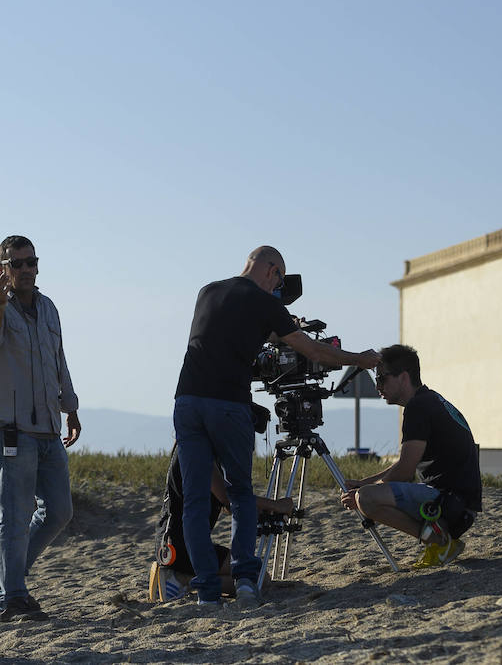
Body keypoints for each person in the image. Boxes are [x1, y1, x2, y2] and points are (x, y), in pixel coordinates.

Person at [174, 245, 380, 609]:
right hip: (227, 405)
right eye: (278, 281)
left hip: (187, 402)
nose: (277, 289)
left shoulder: (208, 291)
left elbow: (231, 333)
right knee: (239, 495)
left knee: (194, 500)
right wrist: (358, 359)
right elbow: (314, 353)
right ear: (273, 272)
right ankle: (246, 583)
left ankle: (207, 593)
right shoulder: (267, 304)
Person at [0, 235, 81, 623]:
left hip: (49, 427)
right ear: (2, 268)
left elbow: (59, 358)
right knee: (15, 514)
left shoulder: (49, 307)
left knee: (59, 512)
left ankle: (5, 574)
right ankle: (11, 598)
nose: (24, 270)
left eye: (29, 262)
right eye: (15, 263)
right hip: (11, 427)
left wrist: (70, 406)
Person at [340, 344, 482, 568]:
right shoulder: (430, 400)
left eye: (382, 379)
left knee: (366, 499)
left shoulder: (418, 407)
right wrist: (364, 482)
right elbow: (405, 463)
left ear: (404, 377)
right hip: (460, 504)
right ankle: (438, 540)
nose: (378, 386)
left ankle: (439, 541)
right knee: (366, 493)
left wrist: (363, 492)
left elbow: (405, 472)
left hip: (451, 504)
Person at [151, 405, 295, 601]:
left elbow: (228, 505)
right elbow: (228, 497)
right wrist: (275, 505)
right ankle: (183, 580)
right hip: (181, 548)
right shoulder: (201, 454)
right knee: (260, 579)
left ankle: (180, 577)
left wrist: (256, 508)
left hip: (169, 545)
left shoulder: (190, 447)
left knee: (255, 575)